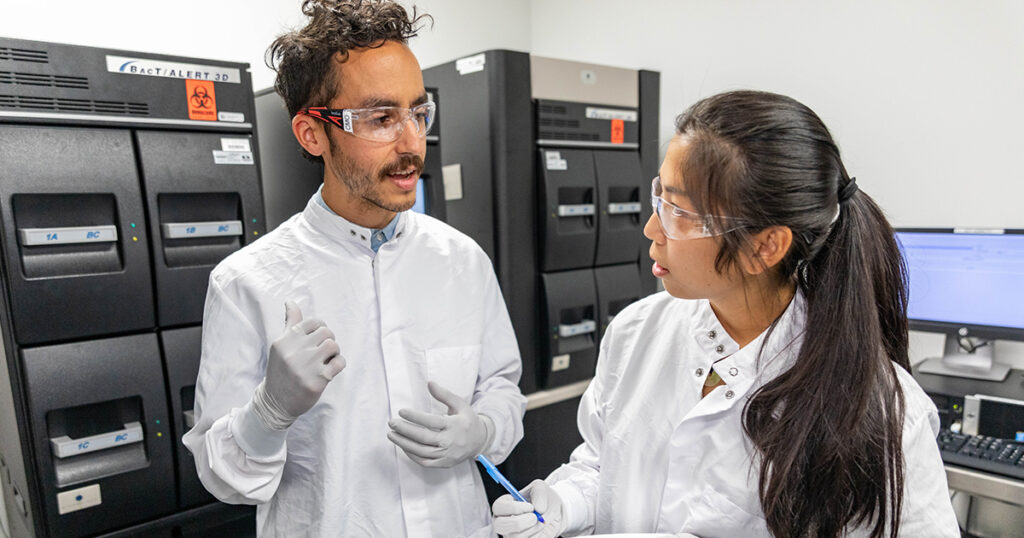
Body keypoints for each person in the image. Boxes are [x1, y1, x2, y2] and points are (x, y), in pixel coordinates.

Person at [491, 90, 960, 538]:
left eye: (678, 211)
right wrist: (563, 503)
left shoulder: (881, 408)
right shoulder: (637, 331)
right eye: (660, 196)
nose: (652, 228)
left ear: (765, 247)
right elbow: (601, 463)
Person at [182, 1, 526, 536]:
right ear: (312, 134)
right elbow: (223, 477)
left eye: (419, 112)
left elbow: (503, 389)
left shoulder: (463, 261)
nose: (413, 143)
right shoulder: (246, 282)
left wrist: (482, 432)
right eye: (381, 118)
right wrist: (268, 412)